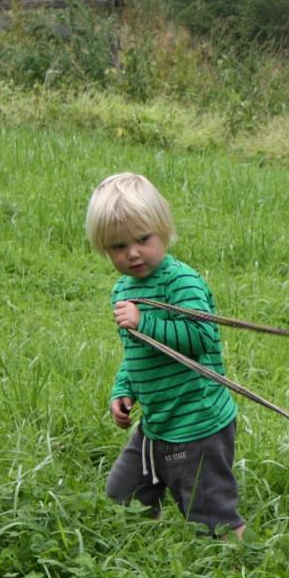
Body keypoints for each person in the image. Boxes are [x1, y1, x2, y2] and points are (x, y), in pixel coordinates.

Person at [86, 172, 245, 539]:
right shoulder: (123, 290)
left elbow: (201, 338)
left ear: (164, 230)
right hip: (157, 424)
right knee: (122, 493)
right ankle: (153, 552)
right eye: (117, 247)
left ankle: (239, 564)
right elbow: (134, 352)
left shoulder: (181, 282)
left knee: (210, 514)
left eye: (143, 239)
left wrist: (144, 322)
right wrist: (122, 390)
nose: (132, 253)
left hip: (197, 422)